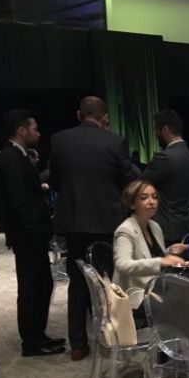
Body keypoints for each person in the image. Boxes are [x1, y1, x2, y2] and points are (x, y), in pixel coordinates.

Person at [49, 95, 134, 361]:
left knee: (77, 281)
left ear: (79, 114)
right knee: (110, 281)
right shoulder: (115, 141)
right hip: (108, 222)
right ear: (104, 117)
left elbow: (55, 181)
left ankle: (78, 344)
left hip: (74, 221)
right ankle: (112, 336)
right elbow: (127, 181)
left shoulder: (59, 140)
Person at [0, 108, 66, 356]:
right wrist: (36, 230)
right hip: (27, 236)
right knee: (32, 287)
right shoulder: (10, 158)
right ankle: (32, 341)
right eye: (34, 128)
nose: (38, 133)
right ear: (22, 130)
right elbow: (19, 201)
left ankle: (37, 335)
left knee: (41, 284)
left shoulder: (16, 156)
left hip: (29, 234)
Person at [113, 180, 188, 320]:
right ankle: (170, 333)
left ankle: (178, 334)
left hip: (156, 289)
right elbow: (122, 265)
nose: (151, 201)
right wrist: (162, 261)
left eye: (154, 197)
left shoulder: (154, 226)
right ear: (131, 204)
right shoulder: (125, 230)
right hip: (136, 296)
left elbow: (151, 255)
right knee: (187, 303)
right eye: (144, 198)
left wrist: (170, 251)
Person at [142, 109, 189, 244]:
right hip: (182, 227)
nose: (156, 135)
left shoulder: (165, 157)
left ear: (165, 130)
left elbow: (139, 184)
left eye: (156, 130)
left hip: (164, 229)